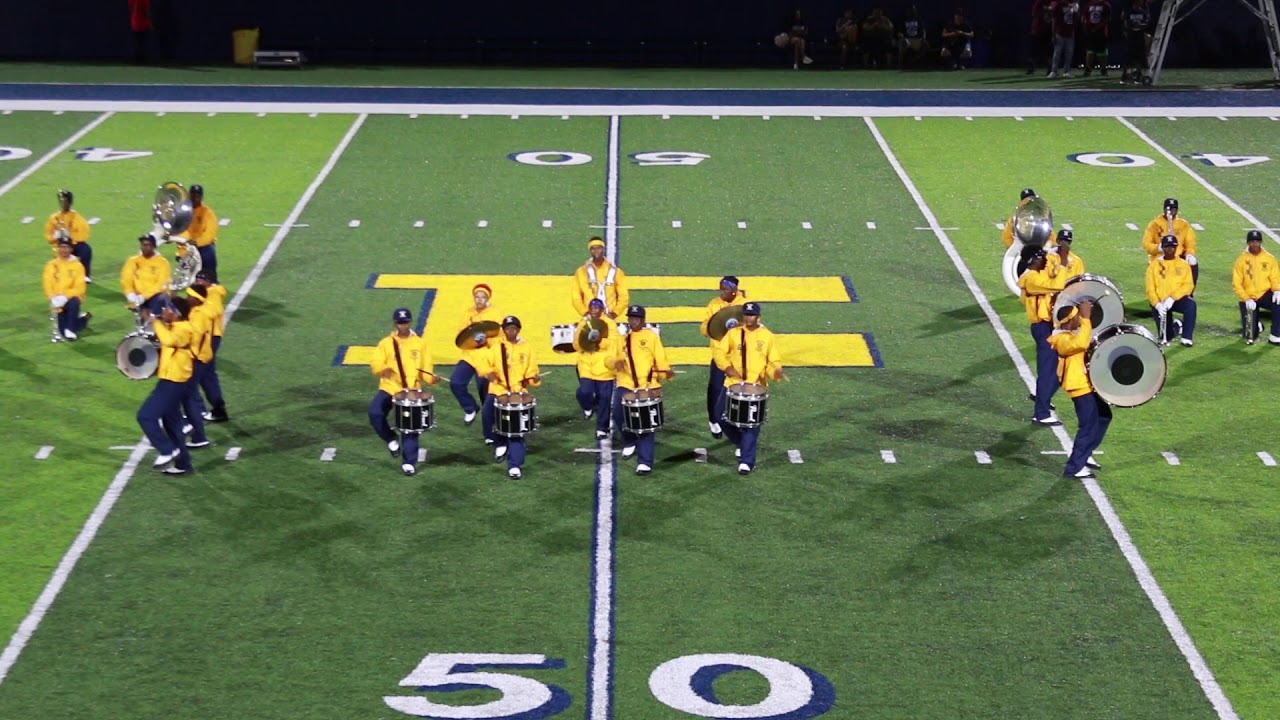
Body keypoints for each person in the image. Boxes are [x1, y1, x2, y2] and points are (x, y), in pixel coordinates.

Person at [714, 302, 785, 475]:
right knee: (719, 415)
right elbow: (719, 352)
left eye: (752, 315)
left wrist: (776, 371)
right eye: (746, 314)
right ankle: (740, 441)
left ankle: (747, 461)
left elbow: (772, 360)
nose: (748, 318)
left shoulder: (767, 336)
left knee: (752, 425)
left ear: (758, 317)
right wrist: (727, 367)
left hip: (756, 386)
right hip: (733, 383)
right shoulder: (734, 333)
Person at [370, 307, 438, 476]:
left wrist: (431, 379)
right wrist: (382, 370)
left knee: (410, 429)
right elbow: (376, 362)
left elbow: (425, 370)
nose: (403, 325)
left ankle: (409, 462)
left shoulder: (420, 343)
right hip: (390, 387)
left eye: (405, 322)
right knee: (375, 413)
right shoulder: (386, 343)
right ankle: (391, 438)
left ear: (410, 322)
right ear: (395, 323)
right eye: (400, 323)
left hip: (411, 389)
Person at [1048, 300, 1108, 479]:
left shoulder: (1070, 333)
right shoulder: (1061, 338)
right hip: (1079, 387)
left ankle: (1086, 452)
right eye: (1077, 317)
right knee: (1087, 427)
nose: (1080, 320)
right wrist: (1087, 318)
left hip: (1088, 384)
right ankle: (1074, 468)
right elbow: (1082, 343)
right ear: (1068, 321)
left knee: (1104, 416)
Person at [612, 305, 674, 475]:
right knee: (618, 413)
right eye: (631, 318)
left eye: (637, 318)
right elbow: (612, 359)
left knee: (646, 422)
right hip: (626, 383)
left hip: (648, 384)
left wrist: (664, 376)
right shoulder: (621, 339)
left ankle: (645, 461)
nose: (633, 321)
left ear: (643, 320)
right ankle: (630, 440)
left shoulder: (651, 337)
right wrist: (614, 363)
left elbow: (661, 359)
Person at [136, 297, 194, 476]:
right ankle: (183, 464)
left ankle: (167, 450)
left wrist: (156, 322)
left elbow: (169, 341)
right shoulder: (175, 327)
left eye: (168, 308)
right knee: (172, 424)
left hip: (174, 383)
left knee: (145, 416)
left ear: (177, 313)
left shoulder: (185, 329)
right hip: (171, 380)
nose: (164, 311)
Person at [480, 316, 541, 479]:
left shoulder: (527, 348)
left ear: (518, 330)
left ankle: (515, 464)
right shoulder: (496, 347)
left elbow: (532, 370)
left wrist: (534, 378)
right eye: (507, 328)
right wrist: (489, 373)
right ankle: (499, 442)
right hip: (498, 390)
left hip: (518, 392)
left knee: (516, 429)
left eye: (513, 328)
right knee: (487, 413)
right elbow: (484, 363)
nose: (510, 331)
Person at [1020, 248, 1066, 425]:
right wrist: (1061, 264)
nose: (1045, 259)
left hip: (1049, 326)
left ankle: (1042, 396)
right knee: (1049, 371)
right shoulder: (1031, 278)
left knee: (1060, 367)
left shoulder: (1035, 275)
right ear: (1032, 260)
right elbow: (1057, 285)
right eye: (1041, 256)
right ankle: (1041, 413)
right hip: (1043, 327)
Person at [700, 275, 748, 439]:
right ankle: (713, 420)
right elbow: (704, 329)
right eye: (721, 289)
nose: (722, 293)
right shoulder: (714, 304)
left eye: (726, 290)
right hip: (720, 354)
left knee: (739, 391)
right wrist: (715, 323)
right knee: (716, 388)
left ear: (735, 291)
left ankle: (737, 424)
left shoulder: (744, 306)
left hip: (739, 357)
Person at [451, 283, 503, 424]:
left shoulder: (495, 314)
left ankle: (491, 428)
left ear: (488, 298)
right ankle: (470, 407)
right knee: (456, 383)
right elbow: (461, 335)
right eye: (477, 297)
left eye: (483, 297)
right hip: (469, 355)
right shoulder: (467, 313)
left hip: (486, 357)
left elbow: (500, 337)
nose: (479, 300)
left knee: (485, 392)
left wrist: (487, 340)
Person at [575, 299, 618, 439]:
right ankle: (588, 406)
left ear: (602, 309)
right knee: (584, 391)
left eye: (597, 308)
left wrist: (599, 341)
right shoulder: (584, 322)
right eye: (592, 307)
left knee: (604, 398)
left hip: (604, 366)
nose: (594, 310)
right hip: (586, 364)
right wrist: (585, 342)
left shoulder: (610, 324)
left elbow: (613, 344)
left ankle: (602, 428)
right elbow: (576, 344)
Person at [1230, 230, 1280, 345]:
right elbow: (1236, 283)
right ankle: (1257, 325)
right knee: (1250, 335)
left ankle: (1276, 334)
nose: (1255, 244)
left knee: (1279, 302)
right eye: (1252, 241)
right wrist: (1246, 298)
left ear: (1261, 242)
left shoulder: (1269, 259)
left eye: (1257, 241)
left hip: (1265, 294)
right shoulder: (1241, 261)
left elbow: (1275, 277)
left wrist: (1277, 290)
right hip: (1248, 297)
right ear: (1248, 243)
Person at [1146, 235, 1197, 346]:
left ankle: (1187, 337)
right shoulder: (1154, 266)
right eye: (1167, 247)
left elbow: (1188, 285)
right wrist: (1157, 304)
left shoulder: (1183, 265)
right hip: (1160, 301)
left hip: (1176, 300)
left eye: (1173, 247)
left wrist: (1172, 298)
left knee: (1191, 305)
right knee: (1167, 336)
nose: (1170, 249)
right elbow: (1150, 288)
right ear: (1163, 248)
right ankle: (1177, 326)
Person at [179, 286, 214, 450]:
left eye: (189, 296)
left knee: (186, 396)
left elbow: (196, 337)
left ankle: (194, 431)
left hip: (196, 360)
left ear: (198, 299)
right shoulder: (195, 311)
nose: (187, 298)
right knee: (188, 396)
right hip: (196, 358)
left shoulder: (200, 315)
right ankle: (196, 433)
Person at [192, 272, 229, 422]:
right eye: (197, 279)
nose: (198, 282)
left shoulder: (214, 292)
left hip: (211, 337)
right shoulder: (207, 292)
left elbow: (214, 311)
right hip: (205, 336)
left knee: (202, 374)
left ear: (209, 281)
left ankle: (215, 410)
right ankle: (214, 409)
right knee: (203, 374)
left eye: (201, 279)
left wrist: (197, 306)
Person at [43, 237, 91, 341]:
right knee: (62, 332)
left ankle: (71, 329)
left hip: (72, 299)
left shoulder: (78, 266)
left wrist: (65, 297)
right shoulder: (51, 265)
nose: (64, 250)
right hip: (56, 301)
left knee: (74, 303)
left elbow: (80, 288)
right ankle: (84, 319)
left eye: (66, 247)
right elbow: (47, 283)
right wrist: (52, 298)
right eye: (62, 247)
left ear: (71, 249)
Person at [1142, 197, 1199, 286]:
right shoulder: (1155, 224)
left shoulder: (1183, 225)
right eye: (1169, 209)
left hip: (1179, 256)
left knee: (1193, 262)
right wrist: (1158, 248)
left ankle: (1190, 291)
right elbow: (1146, 244)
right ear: (1164, 210)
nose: (1171, 212)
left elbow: (1190, 242)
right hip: (1160, 256)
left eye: (1173, 209)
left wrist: (1189, 254)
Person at [571, 237, 629, 319]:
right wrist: (585, 313)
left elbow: (624, 297)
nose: (596, 251)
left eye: (598, 248)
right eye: (593, 249)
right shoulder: (581, 272)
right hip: (589, 318)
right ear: (590, 251)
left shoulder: (616, 272)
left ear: (603, 249)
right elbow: (576, 297)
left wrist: (615, 313)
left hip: (608, 317)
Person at [45, 189, 93, 283]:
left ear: (70, 202)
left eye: (65, 201)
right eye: (61, 201)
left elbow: (84, 234)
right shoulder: (54, 218)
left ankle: (85, 275)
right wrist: (56, 236)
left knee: (86, 250)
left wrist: (70, 238)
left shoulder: (76, 217)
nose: (63, 203)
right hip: (60, 245)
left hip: (74, 244)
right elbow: (49, 236)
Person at [176, 184, 219, 282]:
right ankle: (189, 281)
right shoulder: (183, 212)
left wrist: (196, 242)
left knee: (209, 253)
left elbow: (210, 234)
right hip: (186, 245)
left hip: (203, 246)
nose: (195, 198)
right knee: (185, 259)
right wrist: (187, 242)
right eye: (193, 195)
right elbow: (179, 229)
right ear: (189, 195)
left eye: (198, 195)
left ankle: (212, 280)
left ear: (201, 197)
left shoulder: (208, 212)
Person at [121, 234, 173, 316]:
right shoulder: (133, 261)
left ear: (154, 247)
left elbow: (161, 284)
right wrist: (129, 293)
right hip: (137, 296)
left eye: (148, 245)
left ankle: (156, 321)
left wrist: (144, 296)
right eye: (143, 245)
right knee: (142, 321)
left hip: (155, 297)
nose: (145, 247)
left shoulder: (163, 262)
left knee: (161, 299)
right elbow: (126, 278)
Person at [1120, 0, 1152, 84]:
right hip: (1131, 36)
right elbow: (1124, 23)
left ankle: (1138, 75)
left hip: (1140, 37)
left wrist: (1140, 26)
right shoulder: (1128, 11)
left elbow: (1147, 23)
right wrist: (1129, 28)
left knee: (1140, 57)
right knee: (1129, 57)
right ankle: (1124, 76)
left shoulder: (1143, 11)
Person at [1049, 0, 1080, 78]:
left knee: (1069, 54)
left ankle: (1067, 71)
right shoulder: (1058, 5)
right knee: (1057, 54)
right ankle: (1053, 71)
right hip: (1060, 33)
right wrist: (1053, 34)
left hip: (1070, 34)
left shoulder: (1074, 4)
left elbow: (1076, 19)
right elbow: (1054, 20)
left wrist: (1076, 11)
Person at [1082, 0, 1112, 77]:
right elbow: (1084, 16)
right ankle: (1088, 69)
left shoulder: (1105, 4)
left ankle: (1103, 69)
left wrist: (1098, 27)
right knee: (1090, 51)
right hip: (1090, 32)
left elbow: (1107, 18)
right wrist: (1085, 25)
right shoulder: (1089, 4)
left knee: (1102, 52)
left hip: (1101, 32)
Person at [1028, 0, 1056, 74]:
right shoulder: (1039, 2)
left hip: (1048, 31)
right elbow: (1034, 14)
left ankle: (1050, 68)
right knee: (1034, 50)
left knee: (1049, 51)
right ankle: (1031, 67)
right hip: (1037, 30)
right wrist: (1045, 10)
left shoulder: (1053, 3)